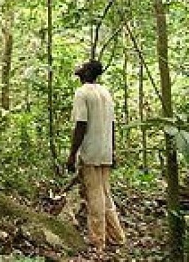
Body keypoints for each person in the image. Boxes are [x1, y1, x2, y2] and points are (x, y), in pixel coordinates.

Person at [66, 59, 125, 251]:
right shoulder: (105, 93)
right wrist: (112, 150)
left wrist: (72, 154)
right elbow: (112, 125)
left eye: (82, 66)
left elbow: (81, 124)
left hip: (91, 152)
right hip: (105, 150)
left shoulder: (82, 93)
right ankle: (116, 236)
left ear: (86, 72)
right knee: (105, 194)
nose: (79, 67)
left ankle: (97, 240)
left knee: (95, 197)